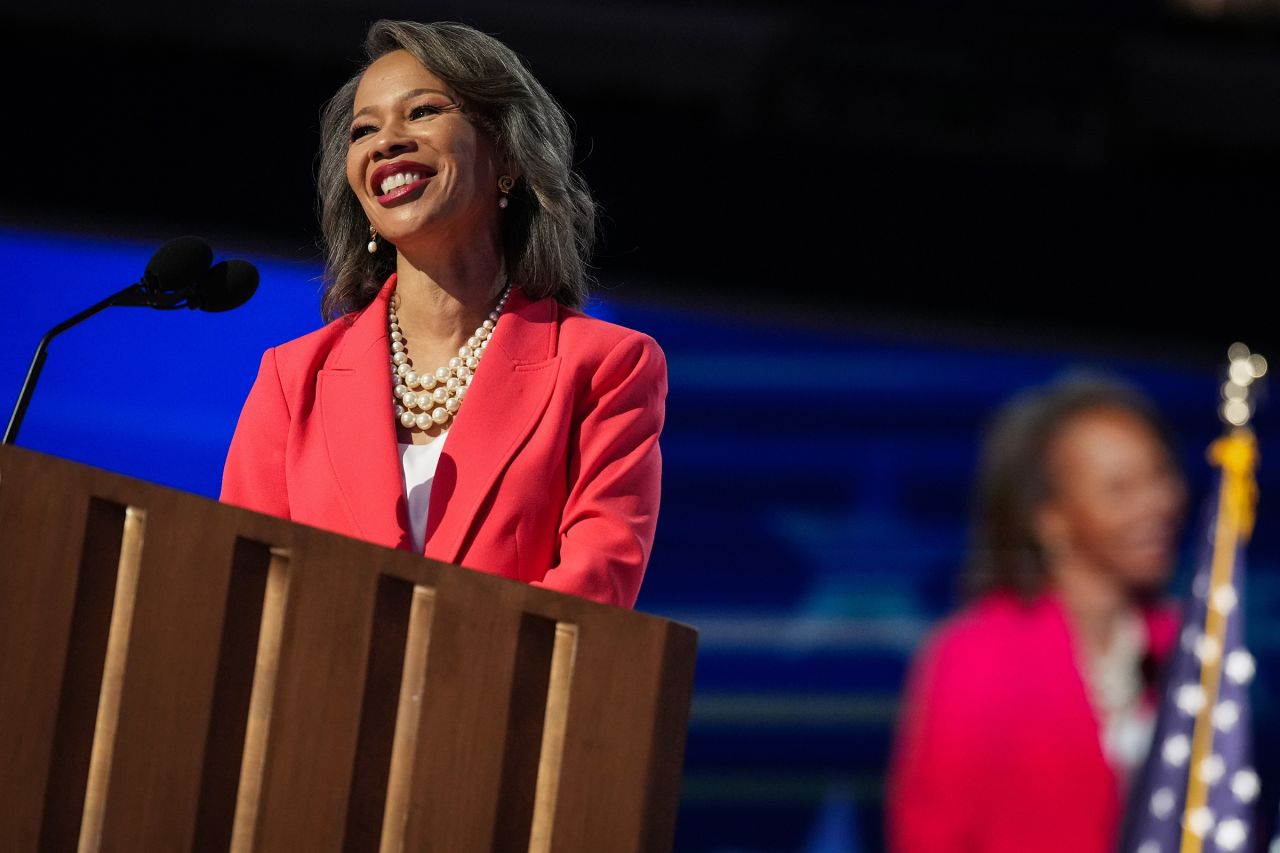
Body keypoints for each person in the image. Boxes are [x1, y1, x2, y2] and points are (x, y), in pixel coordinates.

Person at [220, 21, 665, 608]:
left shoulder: (605, 368)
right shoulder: (291, 379)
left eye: (422, 112)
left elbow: (593, 591)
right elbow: (242, 585)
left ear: (506, 152)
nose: (385, 142)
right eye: (364, 130)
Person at [887, 375, 1187, 852]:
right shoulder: (973, 658)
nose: (1158, 503)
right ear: (1049, 517)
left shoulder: (1186, 641)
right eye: (1121, 489)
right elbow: (930, 839)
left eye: (1160, 476)